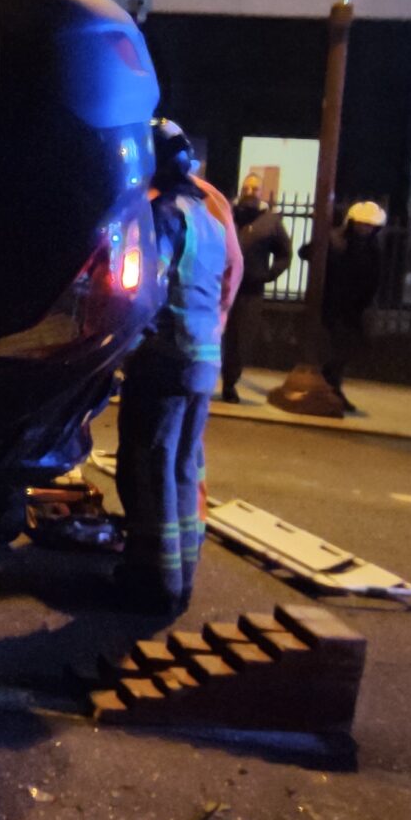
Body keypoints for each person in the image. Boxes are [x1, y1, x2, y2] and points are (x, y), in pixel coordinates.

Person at [114, 119, 242, 615]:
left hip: (164, 357)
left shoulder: (161, 214)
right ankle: (183, 576)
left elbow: (142, 290)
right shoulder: (207, 215)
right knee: (184, 465)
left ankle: (154, 583)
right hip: (203, 357)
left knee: (150, 467)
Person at [219, 173, 290, 403]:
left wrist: (268, 275)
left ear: (261, 193)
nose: (250, 191)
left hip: (250, 290)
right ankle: (206, 379)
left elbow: (284, 253)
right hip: (222, 287)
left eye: (255, 188)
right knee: (215, 335)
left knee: (241, 340)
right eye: (247, 187)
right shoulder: (226, 213)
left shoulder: (270, 222)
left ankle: (230, 383)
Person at [318, 201, 388, 413]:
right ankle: (331, 389)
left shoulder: (372, 247)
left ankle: (332, 387)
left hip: (357, 309)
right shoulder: (337, 240)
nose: (365, 229)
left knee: (347, 351)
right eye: (362, 224)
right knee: (337, 350)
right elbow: (309, 253)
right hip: (335, 305)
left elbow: (374, 276)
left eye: (369, 226)